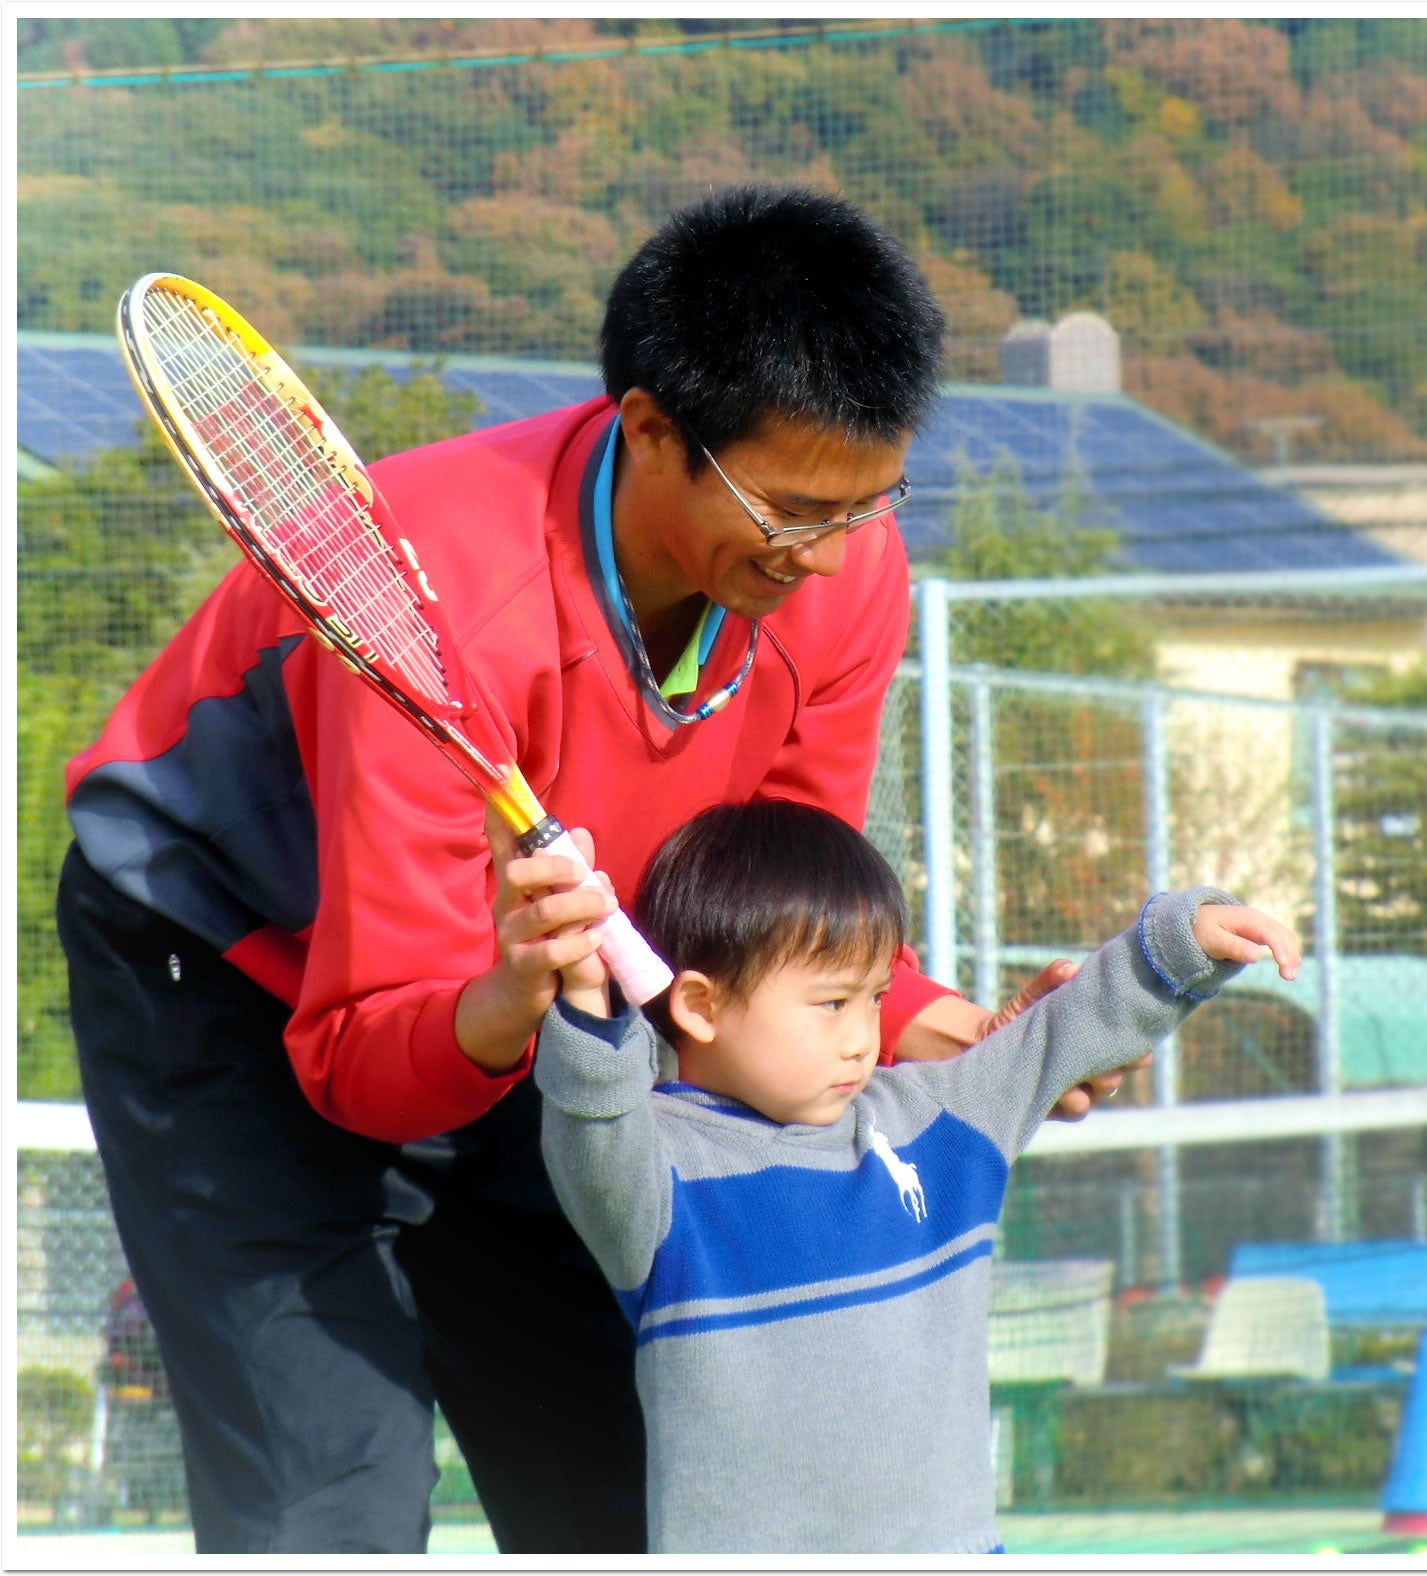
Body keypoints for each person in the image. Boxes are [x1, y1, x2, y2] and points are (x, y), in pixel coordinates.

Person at [55, 185, 1104, 1555]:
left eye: (867, 503)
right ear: (651, 429)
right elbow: (363, 1058)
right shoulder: (438, 594)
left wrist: (920, 1021)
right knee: (331, 1500)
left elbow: (761, 907)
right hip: (229, 971)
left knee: (647, 1485)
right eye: (793, 508)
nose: (833, 553)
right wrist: (509, 1006)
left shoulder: (844, 571)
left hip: (528, 994)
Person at [532, 797, 1302, 1553]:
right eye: (830, 1003)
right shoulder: (660, 1178)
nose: (863, 1038)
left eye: (873, 998)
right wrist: (586, 1002)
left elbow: (1059, 1034)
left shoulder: (936, 1121)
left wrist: (1179, 941)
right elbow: (594, 1118)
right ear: (700, 1006)